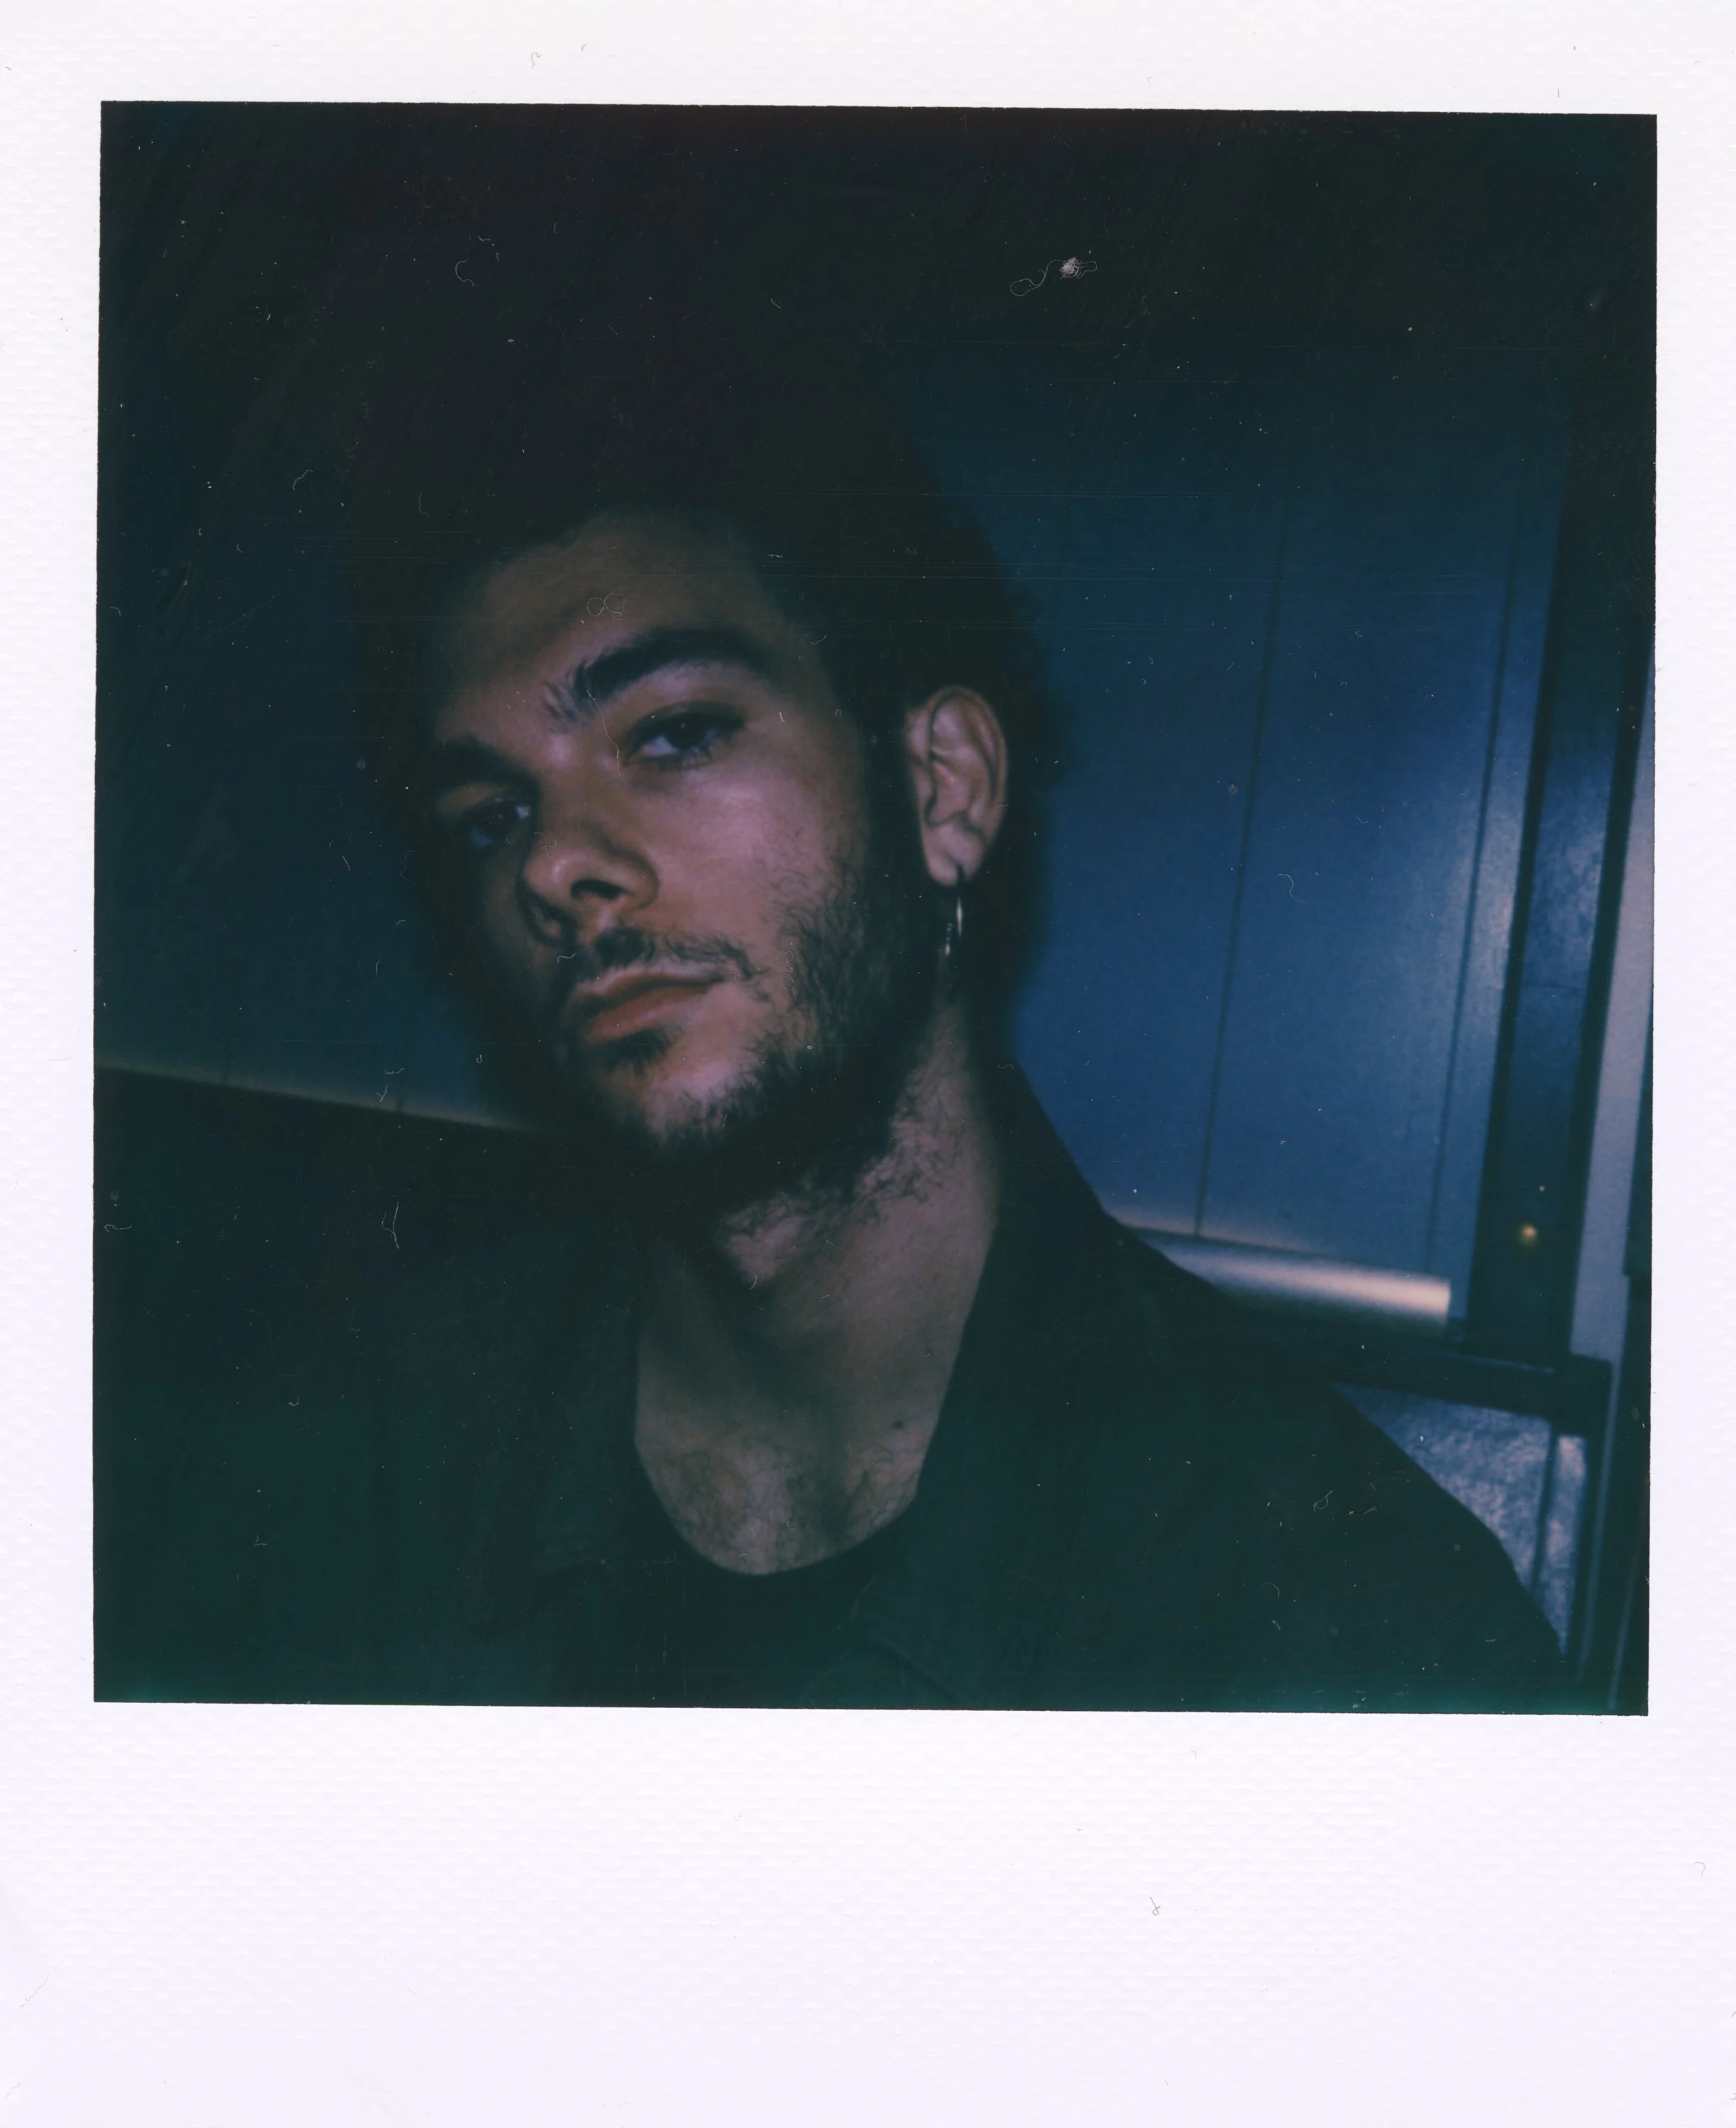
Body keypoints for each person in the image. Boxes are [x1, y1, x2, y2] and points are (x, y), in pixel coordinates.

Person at [118, 343, 1567, 1710]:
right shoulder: (334, 1470)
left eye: (673, 733)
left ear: (941, 790)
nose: (554, 864)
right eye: (492, 815)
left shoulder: (1338, 1619)